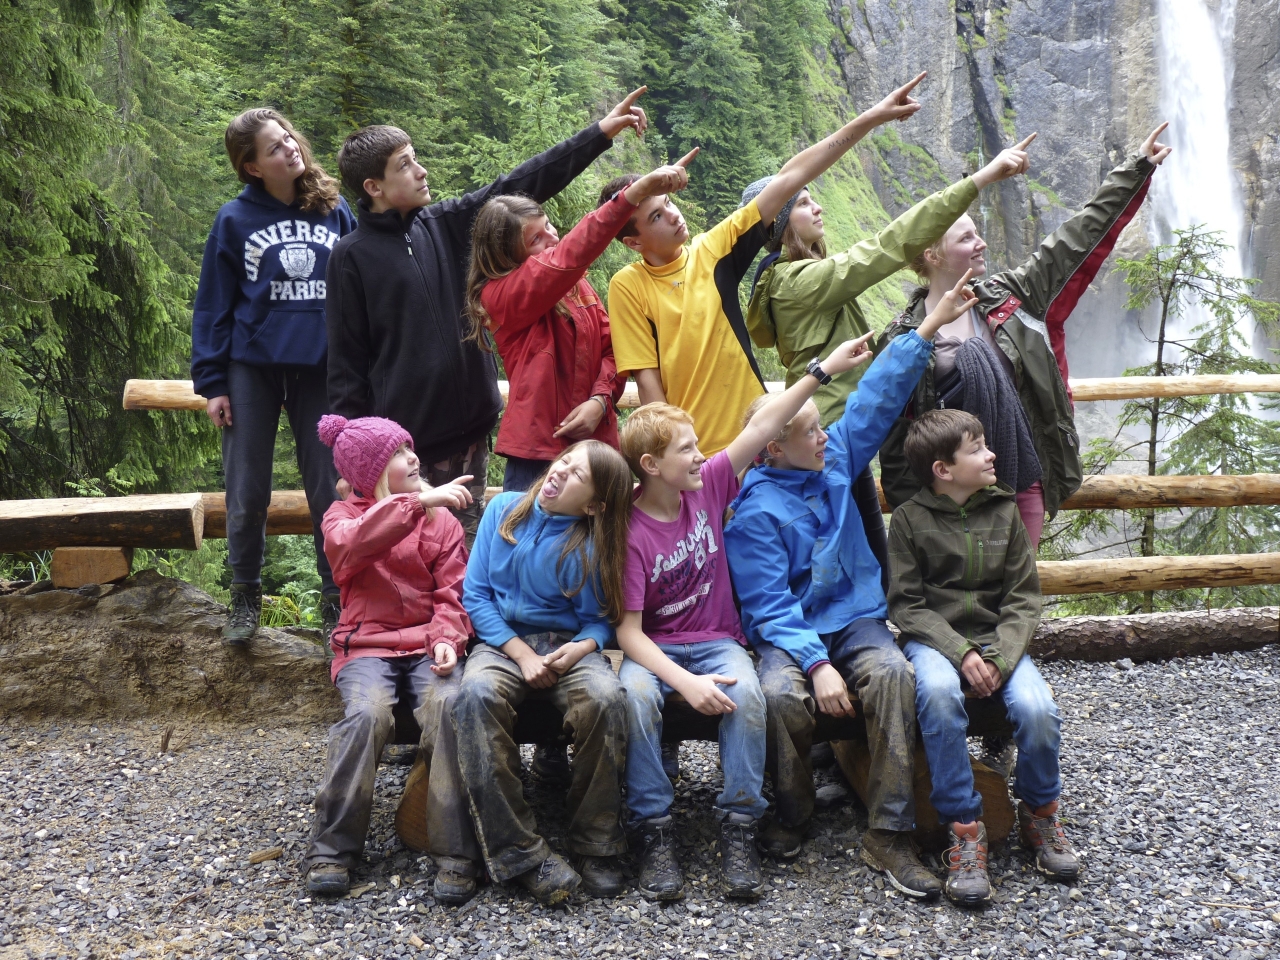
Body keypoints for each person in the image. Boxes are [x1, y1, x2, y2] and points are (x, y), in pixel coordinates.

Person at [723, 272, 980, 901]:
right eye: (810, 430)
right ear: (772, 448)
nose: (824, 435)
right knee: (780, 695)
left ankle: (887, 832)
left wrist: (929, 324)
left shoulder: (834, 457)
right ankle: (793, 809)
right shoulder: (753, 513)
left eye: (821, 428)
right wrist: (816, 664)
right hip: (790, 632)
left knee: (892, 675)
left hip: (855, 617)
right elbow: (768, 606)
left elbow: (877, 397)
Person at [616, 335, 879, 902]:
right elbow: (628, 633)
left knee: (749, 695)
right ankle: (653, 827)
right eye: (687, 448)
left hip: (717, 640)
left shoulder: (708, 486)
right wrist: (684, 683)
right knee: (633, 696)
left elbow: (764, 428)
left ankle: (740, 824)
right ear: (651, 466)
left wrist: (823, 371)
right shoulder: (630, 532)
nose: (700, 454)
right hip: (656, 647)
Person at [325, 90, 650, 540]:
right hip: (405, 448)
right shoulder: (351, 256)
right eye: (404, 165)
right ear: (373, 187)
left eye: (415, 158)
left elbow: (522, 183)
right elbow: (346, 363)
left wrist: (599, 134)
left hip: (472, 433)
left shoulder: (441, 224)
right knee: (415, 551)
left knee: (466, 547)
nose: (421, 171)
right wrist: (348, 456)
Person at [740, 135, 1035, 591]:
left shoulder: (787, 280)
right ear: (778, 225)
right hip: (833, 430)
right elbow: (885, 248)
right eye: (801, 203)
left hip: (834, 425)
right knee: (861, 557)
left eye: (813, 198)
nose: (817, 207)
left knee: (863, 552)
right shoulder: (799, 281)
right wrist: (979, 179)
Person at [600, 74, 928, 458]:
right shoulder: (629, 285)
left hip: (760, 442)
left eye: (668, 203)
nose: (673, 215)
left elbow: (790, 177)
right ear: (633, 242)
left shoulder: (711, 250)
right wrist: (676, 452)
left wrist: (872, 117)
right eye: (656, 216)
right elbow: (648, 383)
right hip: (700, 454)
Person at [879, 123, 1174, 548]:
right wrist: (914, 516)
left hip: (1021, 480)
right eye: (966, 238)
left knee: (1018, 581)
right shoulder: (904, 337)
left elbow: (1076, 240)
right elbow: (896, 438)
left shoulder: (1012, 297)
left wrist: (1136, 168)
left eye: (978, 233)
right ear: (933, 255)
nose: (981, 243)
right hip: (948, 499)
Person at [888, 408, 1078, 907]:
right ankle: (965, 829)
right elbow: (906, 605)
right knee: (938, 695)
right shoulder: (908, 520)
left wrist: (997, 656)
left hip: (1000, 641)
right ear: (943, 470)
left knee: (1038, 708)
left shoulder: (1004, 511)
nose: (992, 455)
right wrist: (960, 650)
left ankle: (1040, 813)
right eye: (976, 449)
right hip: (933, 641)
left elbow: (1023, 598)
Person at [191, 108, 355, 645]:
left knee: (330, 489)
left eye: (288, 137)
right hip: (251, 368)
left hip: (322, 368)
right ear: (253, 167)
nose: (290, 148)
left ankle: (337, 601)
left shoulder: (334, 210)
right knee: (246, 489)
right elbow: (213, 305)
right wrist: (212, 383)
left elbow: (361, 286)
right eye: (274, 147)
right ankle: (245, 597)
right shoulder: (233, 220)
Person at [302, 415, 478, 901]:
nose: (413, 457)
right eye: (398, 454)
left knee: (450, 708)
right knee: (366, 716)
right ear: (371, 472)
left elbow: (452, 593)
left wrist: (447, 638)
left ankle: (456, 852)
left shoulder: (442, 521)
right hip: (367, 646)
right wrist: (418, 504)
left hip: (426, 645)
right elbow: (351, 546)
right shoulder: (341, 517)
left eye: (409, 447)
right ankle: (332, 849)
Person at [453, 441, 632, 906]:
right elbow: (476, 596)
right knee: (474, 696)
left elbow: (600, 619)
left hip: (566, 646)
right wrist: (521, 655)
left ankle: (597, 842)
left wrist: (581, 649)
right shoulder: (504, 511)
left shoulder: (590, 542)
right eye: (564, 461)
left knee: (606, 698)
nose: (560, 472)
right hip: (501, 642)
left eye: (577, 475)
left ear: (593, 506)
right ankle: (519, 851)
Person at [463, 151, 697, 492]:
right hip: (540, 455)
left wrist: (599, 401)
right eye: (536, 239)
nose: (553, 239)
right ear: (507, 256)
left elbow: (613, 347)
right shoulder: (500, 297)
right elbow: (568, 255)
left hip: (597, 450)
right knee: (533, 527)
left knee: (605, 529)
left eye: (548, 226)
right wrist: (634, 193)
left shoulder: (576, 286)